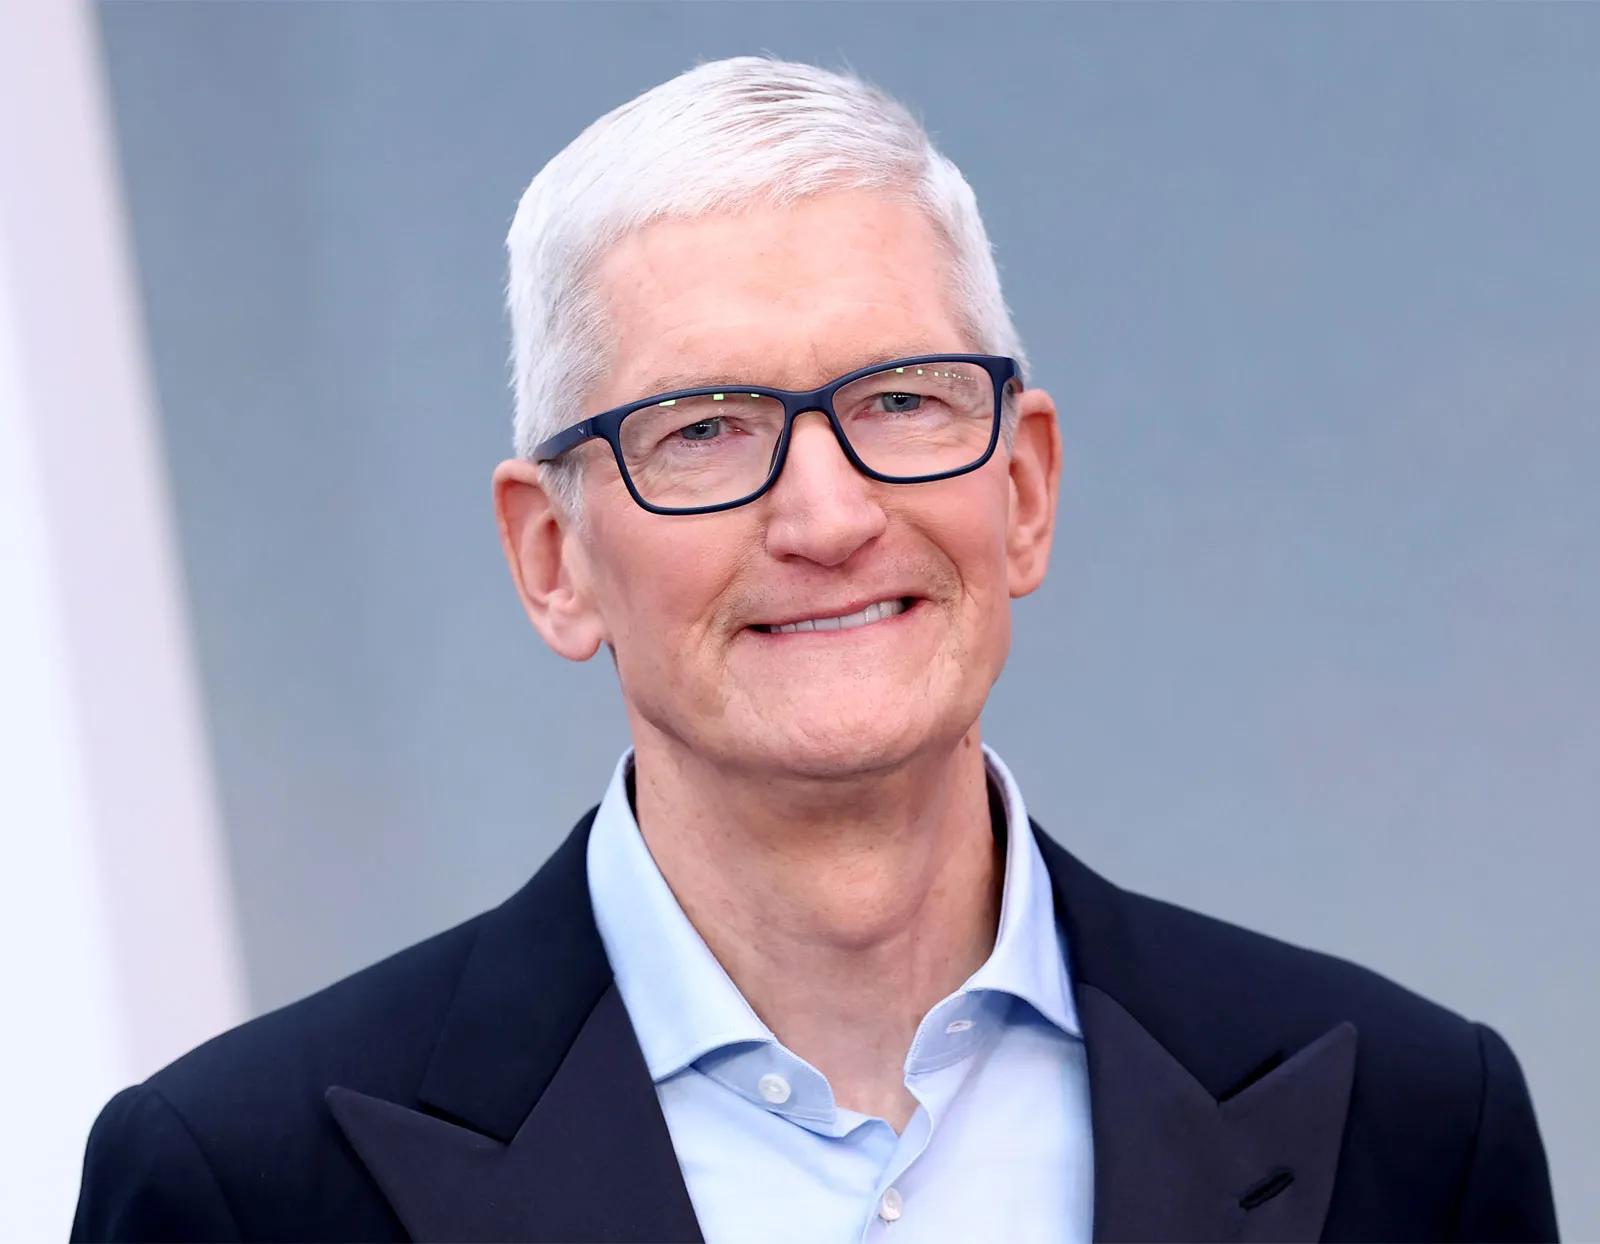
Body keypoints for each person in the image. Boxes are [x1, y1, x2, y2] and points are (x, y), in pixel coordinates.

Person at [73, 57, 1557, 1243]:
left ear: (1025, 489)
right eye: (706, 429)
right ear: (551, 558)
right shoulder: (243, 1190)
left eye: (902, 400)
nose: (830, 516)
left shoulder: (1416, 1128)